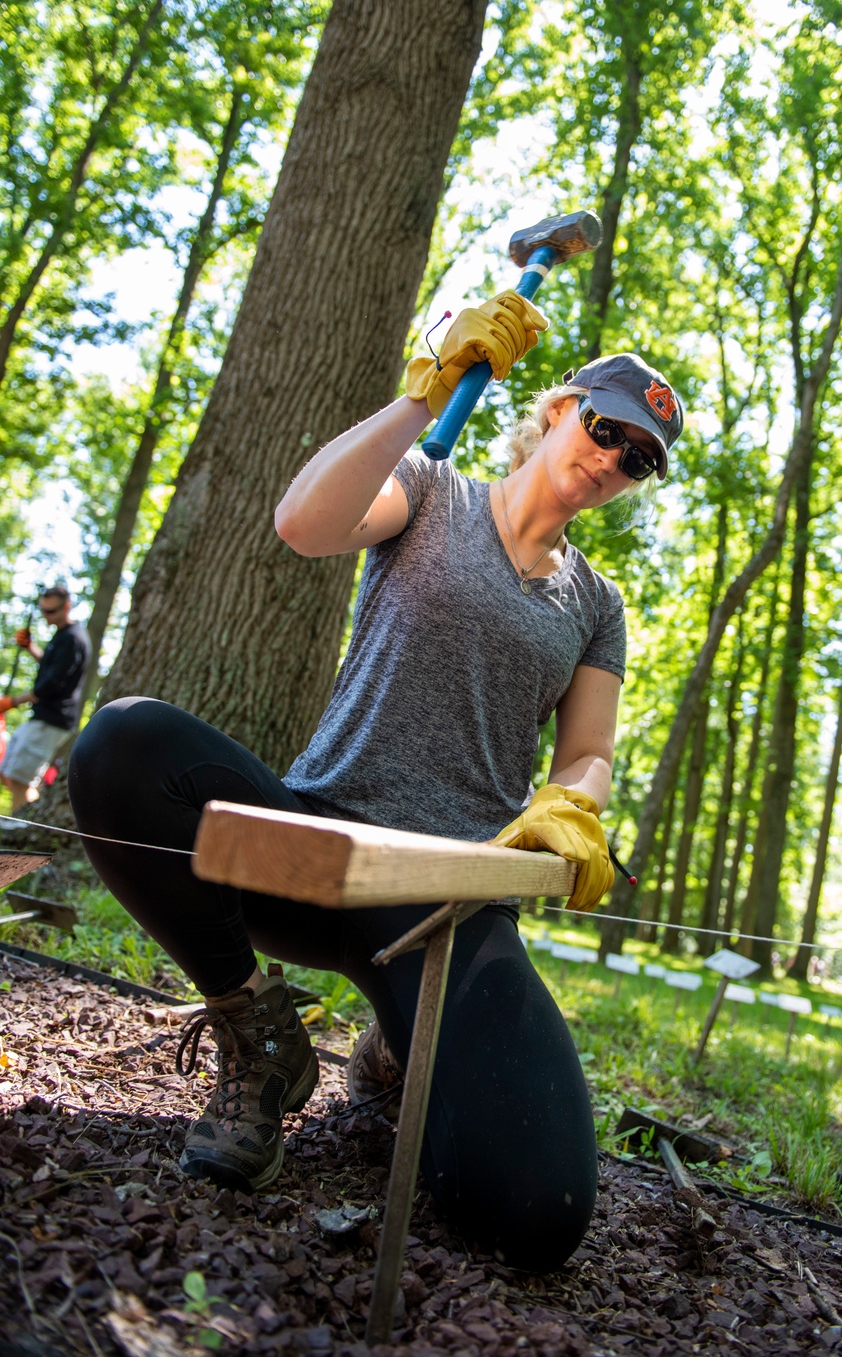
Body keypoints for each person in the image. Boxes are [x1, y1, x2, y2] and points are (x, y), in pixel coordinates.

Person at [67, 293, 683, 1271]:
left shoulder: (596, 606)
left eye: (638, 457)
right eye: (607, 429)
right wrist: (418, 395)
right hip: (314, 849)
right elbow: (306, 524)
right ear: (561, 407)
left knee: (538, 1209)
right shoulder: (432, 486)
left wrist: (574, 805)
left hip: (446, 910)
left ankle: (399, 1050)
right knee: (118, 746)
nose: (611, 459)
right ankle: (256, 1033)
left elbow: (585, 751)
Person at [1, 586, 90, 811]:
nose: (46, 616)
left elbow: (52, 684)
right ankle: (22, 819)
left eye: (51, 611)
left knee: (21, 776)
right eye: (43, 611)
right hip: (42, 716)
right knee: (8, 772)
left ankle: (20, 827)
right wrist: (30, 647)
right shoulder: (62, 635)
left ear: (67, 607)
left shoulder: (72, 638)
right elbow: (53, 669)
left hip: (53, 719)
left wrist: (13, 701)